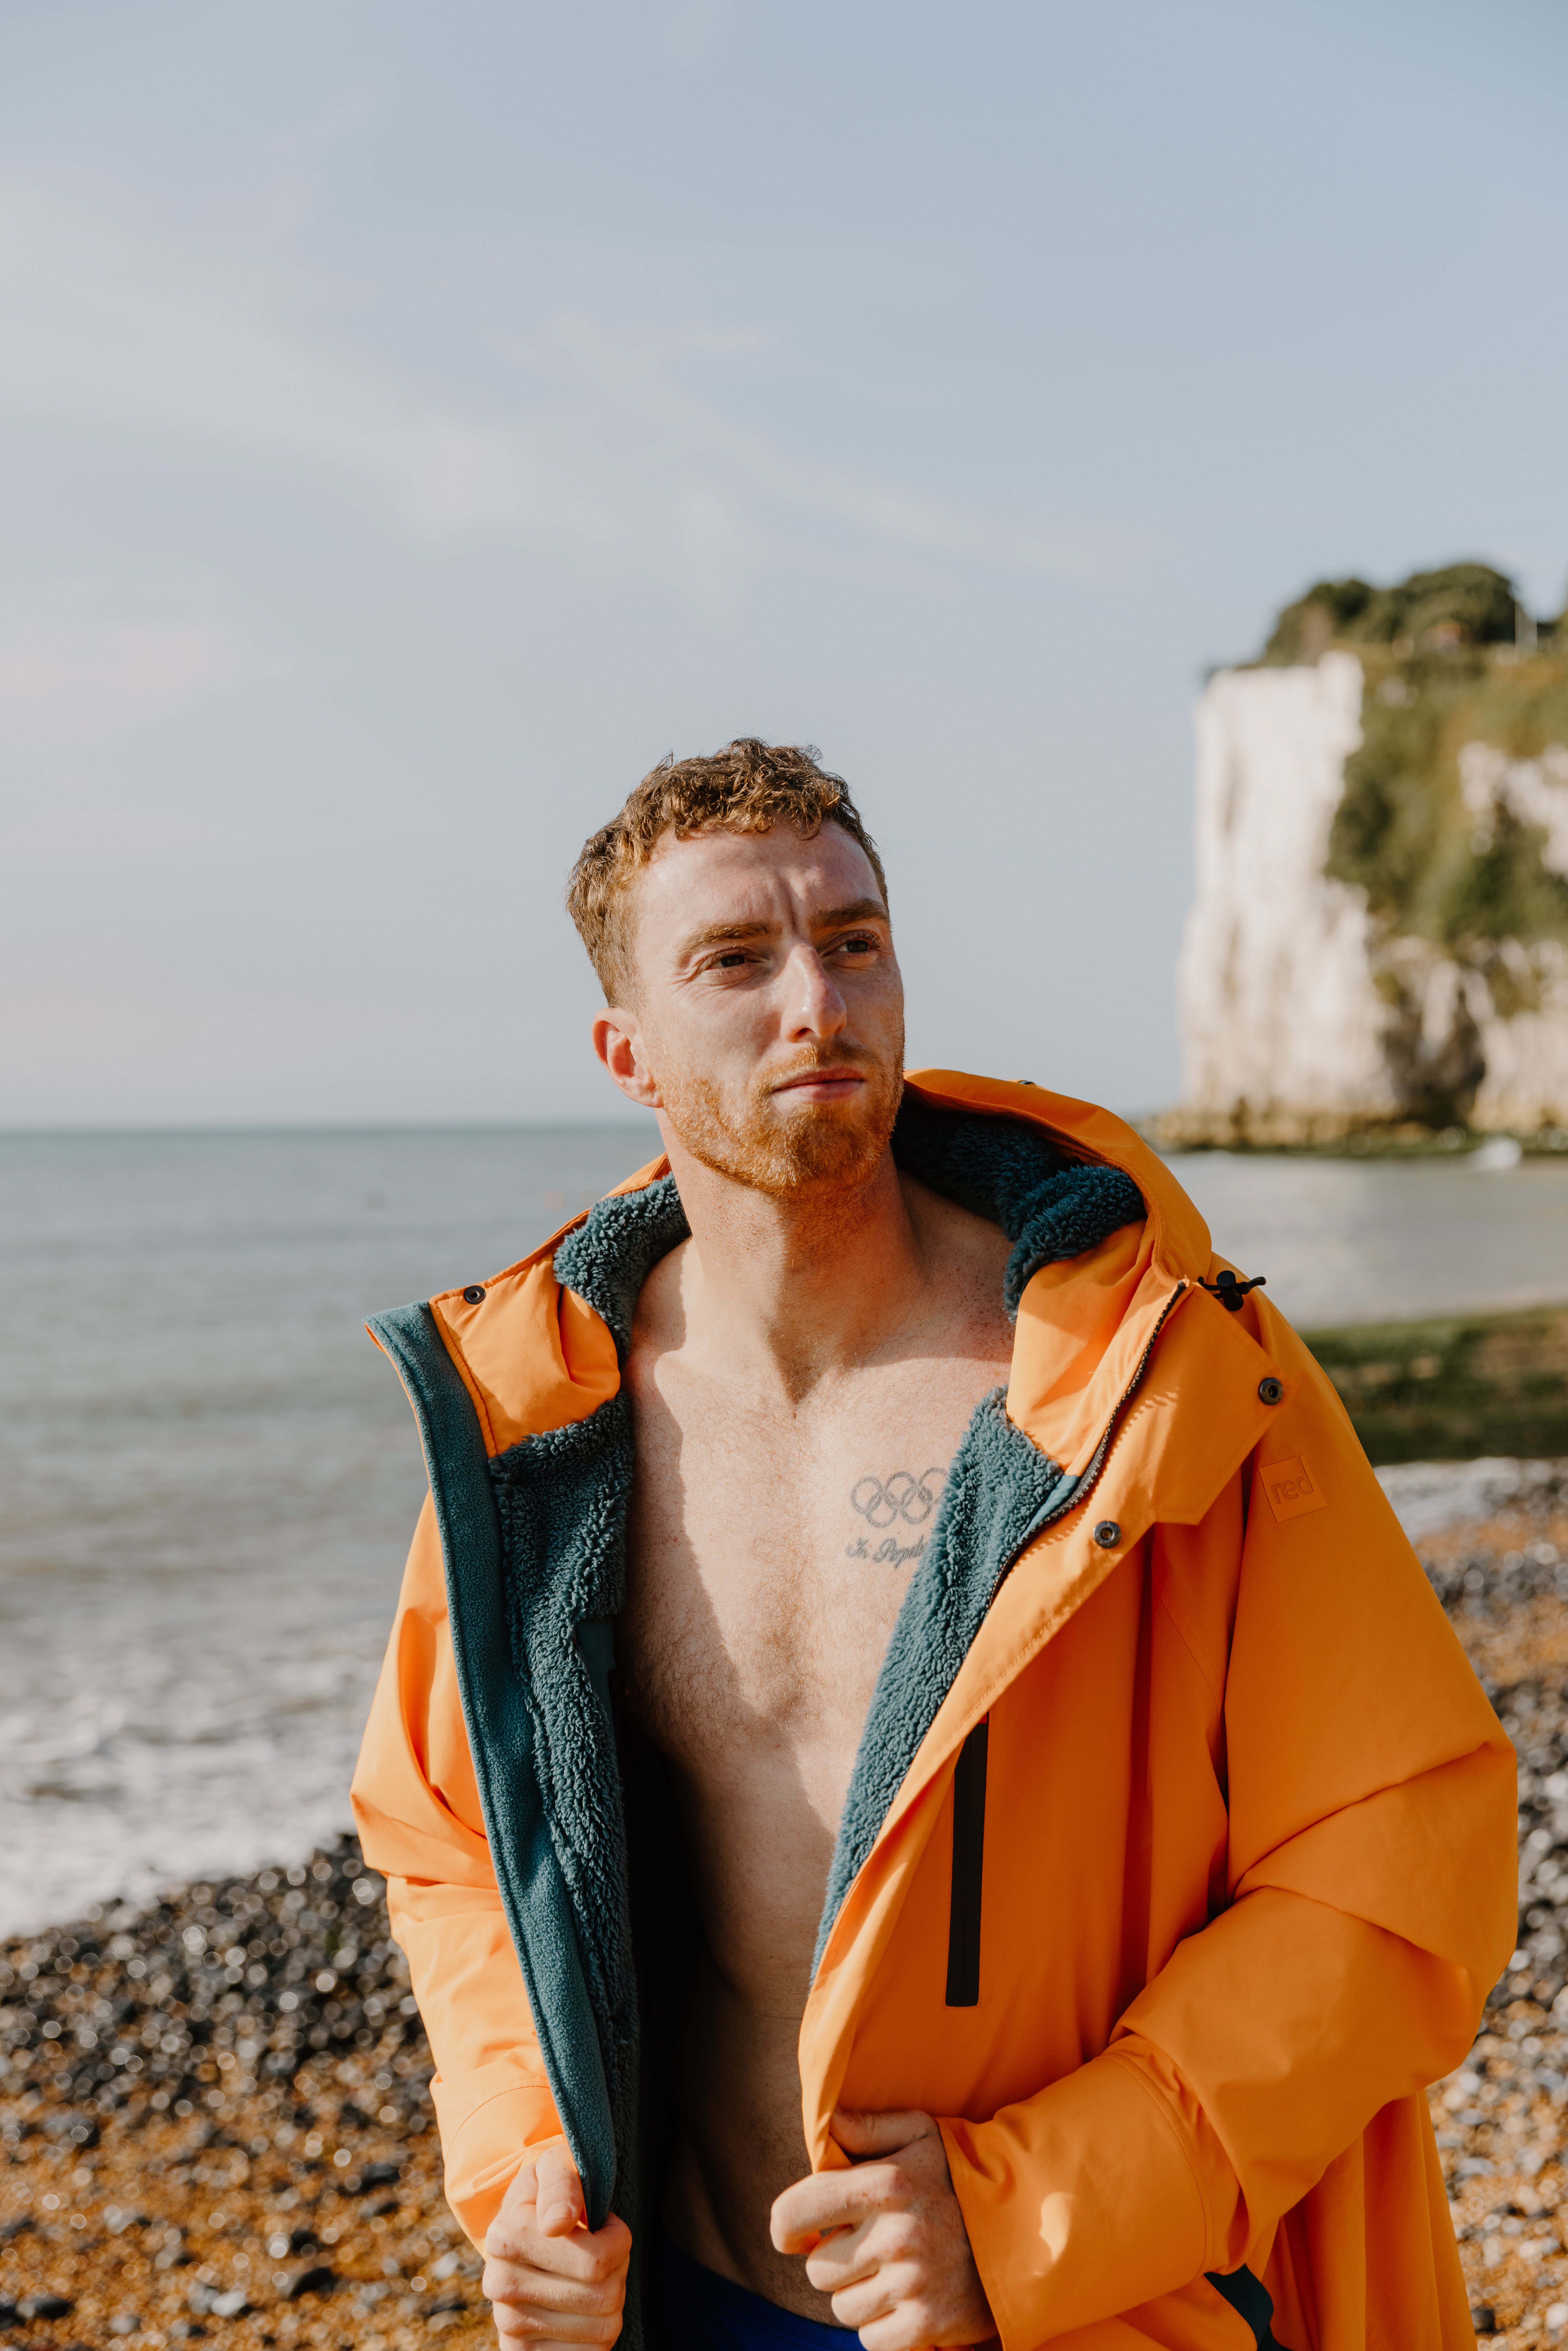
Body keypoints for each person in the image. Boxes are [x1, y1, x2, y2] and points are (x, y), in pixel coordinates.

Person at [351, 738, 1516, 2351]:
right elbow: (447, 1840)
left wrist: (1037, 2210)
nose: (814, 1002)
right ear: (627, 1047)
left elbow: (1401, 1854)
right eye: (735, 963)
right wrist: (521, 2165)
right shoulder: (541, 1428)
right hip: (686, 2296)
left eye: (850, 940)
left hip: (1080, 2299)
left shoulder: (1158, 1375)